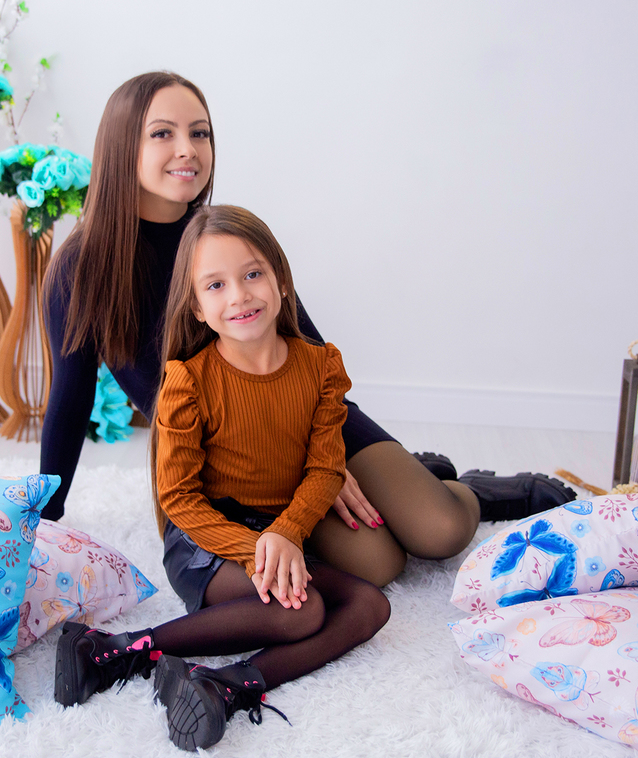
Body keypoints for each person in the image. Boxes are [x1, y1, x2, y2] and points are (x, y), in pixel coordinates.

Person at [40, 70, 572, 587]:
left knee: (441, 529)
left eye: (200, 133)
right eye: (163, 133)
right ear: (121, 145)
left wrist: (328, 461)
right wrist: (42, 517)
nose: (188, 149)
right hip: (218, 463)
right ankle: (413, 473)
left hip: (306, 418)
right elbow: (70, 399)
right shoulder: (79, 270)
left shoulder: (220, 234)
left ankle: (474, 489)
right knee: (377, 563)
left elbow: (306, 347)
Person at [55, 205, 391, 751]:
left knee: (372, 605)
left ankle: (225, 685)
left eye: (253, 274)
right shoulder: (188, 381)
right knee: (301, 610)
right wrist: (257, 549)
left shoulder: (321, 367)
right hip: (205, 542)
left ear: (282, 282)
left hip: (275, 533)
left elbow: (326, 468)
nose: (239, 295)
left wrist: (286, 532)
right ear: (196, 306)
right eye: (216, 284)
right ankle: (113, 651)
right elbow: (179, 498)